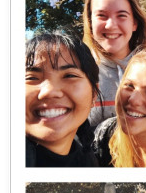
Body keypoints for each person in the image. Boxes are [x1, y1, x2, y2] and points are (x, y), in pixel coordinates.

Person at [83, 0, 146, 128]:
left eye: (121, 15)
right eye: (101, 15)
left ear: (134, 23)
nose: (111, 25)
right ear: (90, 22)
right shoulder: (78, 71)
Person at [26, 29, 100, 167]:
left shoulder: (88, 161)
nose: (49, 91)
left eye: (69, 76)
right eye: (31, 78)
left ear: (94, 94)